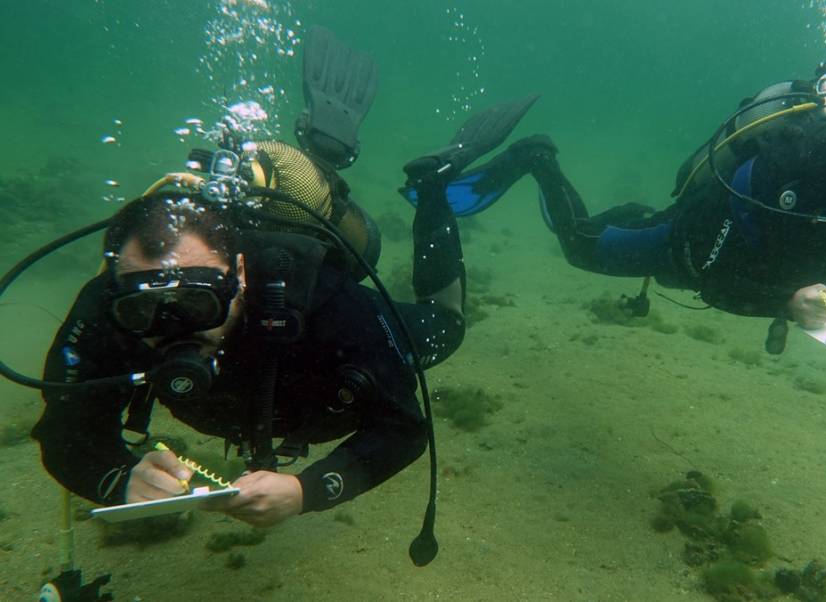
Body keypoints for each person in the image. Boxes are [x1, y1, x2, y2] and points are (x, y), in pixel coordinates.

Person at [27, 26, 539, 536]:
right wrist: (118, 479)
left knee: (445, 324)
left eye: (200, 303)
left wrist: (306, 490)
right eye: (144, 312)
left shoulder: (315, 298)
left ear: (241, 277)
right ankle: (320, 152)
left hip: (322, 350)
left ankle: (432, 185)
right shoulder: (111, 305)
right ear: (117, 294)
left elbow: (403, 428)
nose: (173, 324)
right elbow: (64, 431)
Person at [425, 69, 826, 351]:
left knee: (630, 222)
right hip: (685, 245)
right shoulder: (782, 172)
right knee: (581, 248)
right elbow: (712, 272)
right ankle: (539, 158)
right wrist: (786, 301)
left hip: (757, 265)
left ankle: (631, 214)